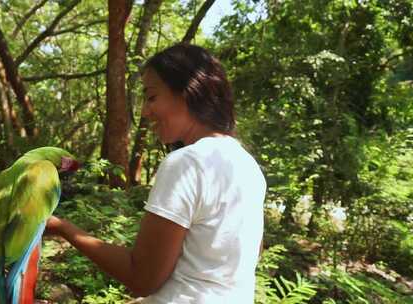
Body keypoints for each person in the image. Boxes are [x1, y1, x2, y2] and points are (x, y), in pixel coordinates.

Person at [45, 43, 266, 303]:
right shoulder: (247, 166)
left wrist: (62, 228)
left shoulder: (187, 163)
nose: (144, 111)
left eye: (151, 97)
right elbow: (239, 259)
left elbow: (142, 279)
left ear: (187, 92)